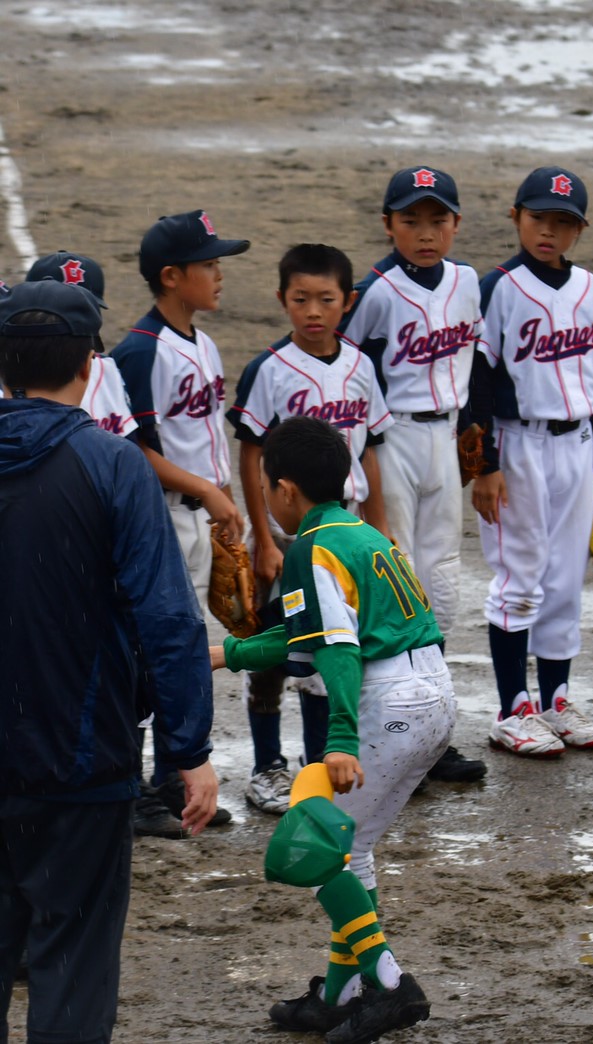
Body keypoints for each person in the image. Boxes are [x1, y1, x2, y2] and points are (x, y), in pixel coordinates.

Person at [0, 280, 217, 1042]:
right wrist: (188, 750)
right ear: (93, 366)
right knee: (74, 966)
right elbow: (168, 618)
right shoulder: (114, 465)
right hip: (83, 767)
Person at [211, 415, 455, 1043]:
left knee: (314, 844)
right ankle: (343, 993)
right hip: (432, 694)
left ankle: (391, 983)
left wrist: (341, 739)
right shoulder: (359, 534)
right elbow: (302, 639)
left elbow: (339, 651)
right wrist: (223, 653)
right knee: (353, 849)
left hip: (388, 703)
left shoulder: (311, 548)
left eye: (266, 486)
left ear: (287, 490)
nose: (264, 497)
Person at [227, 243, 395, 812]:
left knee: (332, 651)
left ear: (348, 302)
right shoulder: (269, 369)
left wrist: (380, 527)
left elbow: (369, 450)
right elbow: (250, 456)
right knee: (275, 655)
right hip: (288, 534)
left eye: (326, 299)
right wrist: (265, 538)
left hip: (343, 533)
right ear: (282, 301)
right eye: (301, 300)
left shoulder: (360, 366)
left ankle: (320, 764)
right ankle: (267, 765)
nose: (314, 311)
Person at [338, 166, 486, 783]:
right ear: (388, 225)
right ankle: (389, 731)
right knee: (394, 578)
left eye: (437, 220)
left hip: (445, 438)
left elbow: (472, 357)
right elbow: (350, 370)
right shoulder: (375, 290)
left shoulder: (467, 282)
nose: (425, 233)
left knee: (442, 582)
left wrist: (476, 435)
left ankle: (429, 733)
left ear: (455, 224)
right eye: (411, 220)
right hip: (392, 435)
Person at [472, 166, 593, 757]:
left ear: (578, 230)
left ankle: (556, 700)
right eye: (539, 218)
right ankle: (513, 707)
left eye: (563, 223)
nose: (549, 232)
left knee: (564, 581)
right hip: (518, 444)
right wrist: (484, 464)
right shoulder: (500, 287)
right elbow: (478, 378)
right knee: (520, 578)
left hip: (578, 444)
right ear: (516, 217)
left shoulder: (589, 289)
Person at [110, 209, 247, 835]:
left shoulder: (203, 342)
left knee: (188, 649)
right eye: (209, 265)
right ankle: (147, 785)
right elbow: (132, 448)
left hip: (199, 515)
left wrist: (222, 499)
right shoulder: (139, 352)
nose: (220, 275)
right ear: (172, 277)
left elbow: (205, 435)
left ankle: (177, 777)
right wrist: (204, 493)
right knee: (157, 648)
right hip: (162, 517)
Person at [24, 250, 138, 437]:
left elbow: (130, 443)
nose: (73, 327)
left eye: (83, 313)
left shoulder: (107, 371)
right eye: (60, 314)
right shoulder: (12, 381)